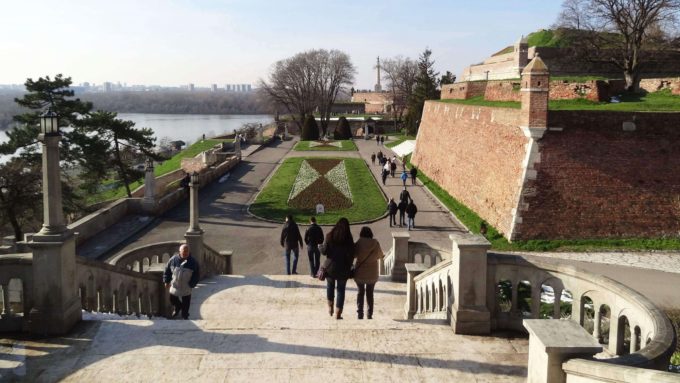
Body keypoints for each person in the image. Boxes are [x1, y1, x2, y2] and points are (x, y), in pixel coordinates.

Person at [322, 218, 355, 319]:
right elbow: (351, 255)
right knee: (341, 290)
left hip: (330, 267)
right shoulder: (349, 239)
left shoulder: (329, 236)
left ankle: (330, 307)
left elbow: (324, 251)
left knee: (330, 287)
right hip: (344, 268)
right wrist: (350, 265)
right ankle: (338, 313)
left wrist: (320, 248)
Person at [353, 227, 384, 319]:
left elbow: (354, 255)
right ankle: (369, 313)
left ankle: (360, 313)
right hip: (372, 272)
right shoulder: (375, 243)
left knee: (360, 292)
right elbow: (380, 255)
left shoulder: (359, 242)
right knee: (370, 293)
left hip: (360, 272)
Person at [163, 244, 200, 319]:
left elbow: (197, 274)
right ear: (179, 251)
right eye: (184, 251)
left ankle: (185, 315)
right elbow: (167, 271)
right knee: (172, 299)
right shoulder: (173, 260)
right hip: (175, 285)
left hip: (186, 285)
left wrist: (192, 284)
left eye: (187, 251)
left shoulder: (193, 262)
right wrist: (166, 281)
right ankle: (178, 307)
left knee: (186, 302)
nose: (185, 253)